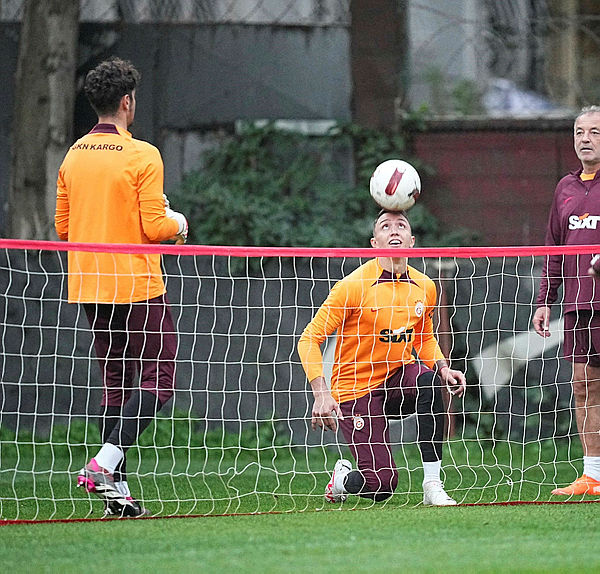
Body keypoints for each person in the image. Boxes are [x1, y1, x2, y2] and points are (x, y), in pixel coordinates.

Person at [55, 57, 188, 517]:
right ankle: (105, 463)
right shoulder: (142, 154)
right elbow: (155, 227)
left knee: (117, 384)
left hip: (89, 285)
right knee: (159, 380)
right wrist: (179, 221)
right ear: (127, 102)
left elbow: (62, 226)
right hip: (135, 284)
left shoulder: (73, 154)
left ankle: (117, 495)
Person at [297, 209, 466, 506]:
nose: (394, 230)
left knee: (429, 381)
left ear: (412, 241)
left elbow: (424, 338)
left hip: (397, 381)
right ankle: (341, 480)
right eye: (385, 226)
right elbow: (309, 339)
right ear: (374, 242)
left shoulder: (425, 286)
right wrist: (321, 393)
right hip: (356, 391)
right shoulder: (352, 286)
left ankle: (432, 485)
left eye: (401, 225)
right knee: (381, 485)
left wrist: (442, 366)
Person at [533, 105, 600, 497]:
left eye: (594, 131)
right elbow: (553, 248)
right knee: (582, 385)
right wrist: (545, 300)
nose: (585, 139)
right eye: (579, 132)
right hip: (579, 305)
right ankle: (593, 476)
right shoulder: (565, 188)